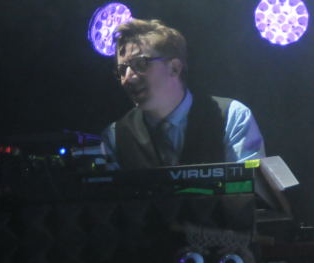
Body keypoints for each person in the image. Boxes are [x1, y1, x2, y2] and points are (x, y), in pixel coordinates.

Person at [97, 18, 265, 169]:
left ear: (174, 68)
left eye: (140, 64)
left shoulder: (231, 116)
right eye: (122, 70)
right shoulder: (116, 135)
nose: (127, 79)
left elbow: (249, 187)